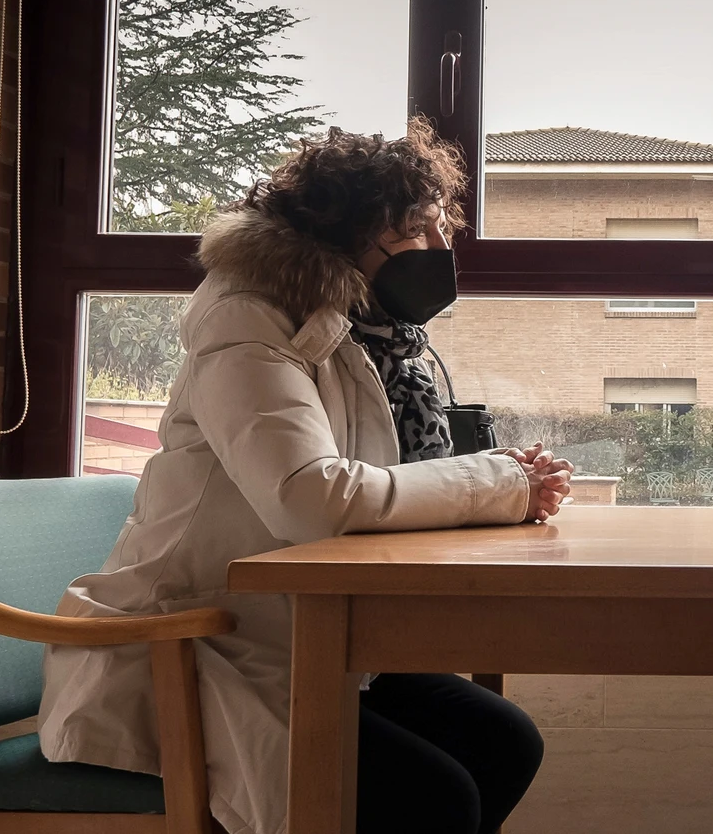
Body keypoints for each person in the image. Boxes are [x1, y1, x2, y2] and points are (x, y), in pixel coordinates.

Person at [38, 120, 570, 834]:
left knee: (503, 742)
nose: (442, 251)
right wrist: (500, 482)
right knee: (433, 797)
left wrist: (506, 480)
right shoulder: (246, 319)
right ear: (347, 234)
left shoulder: (370, 336)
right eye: (418, 229)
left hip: (308, 638)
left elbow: (374, 488)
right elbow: (312, 498)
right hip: (193, 652)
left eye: (444, 227)